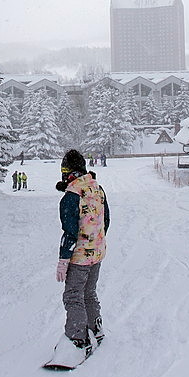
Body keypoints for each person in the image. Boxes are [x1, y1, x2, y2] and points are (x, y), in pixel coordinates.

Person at [55, 149, 110, 353]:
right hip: (97, 253)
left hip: (80, 257)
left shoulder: (71, 196)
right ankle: (95, 327)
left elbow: (70, 231)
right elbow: (106, 221)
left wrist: (64, 259)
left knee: (73, 295)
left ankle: (77, 338)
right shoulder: (97, 189)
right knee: (89, 292)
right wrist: (96, 242)